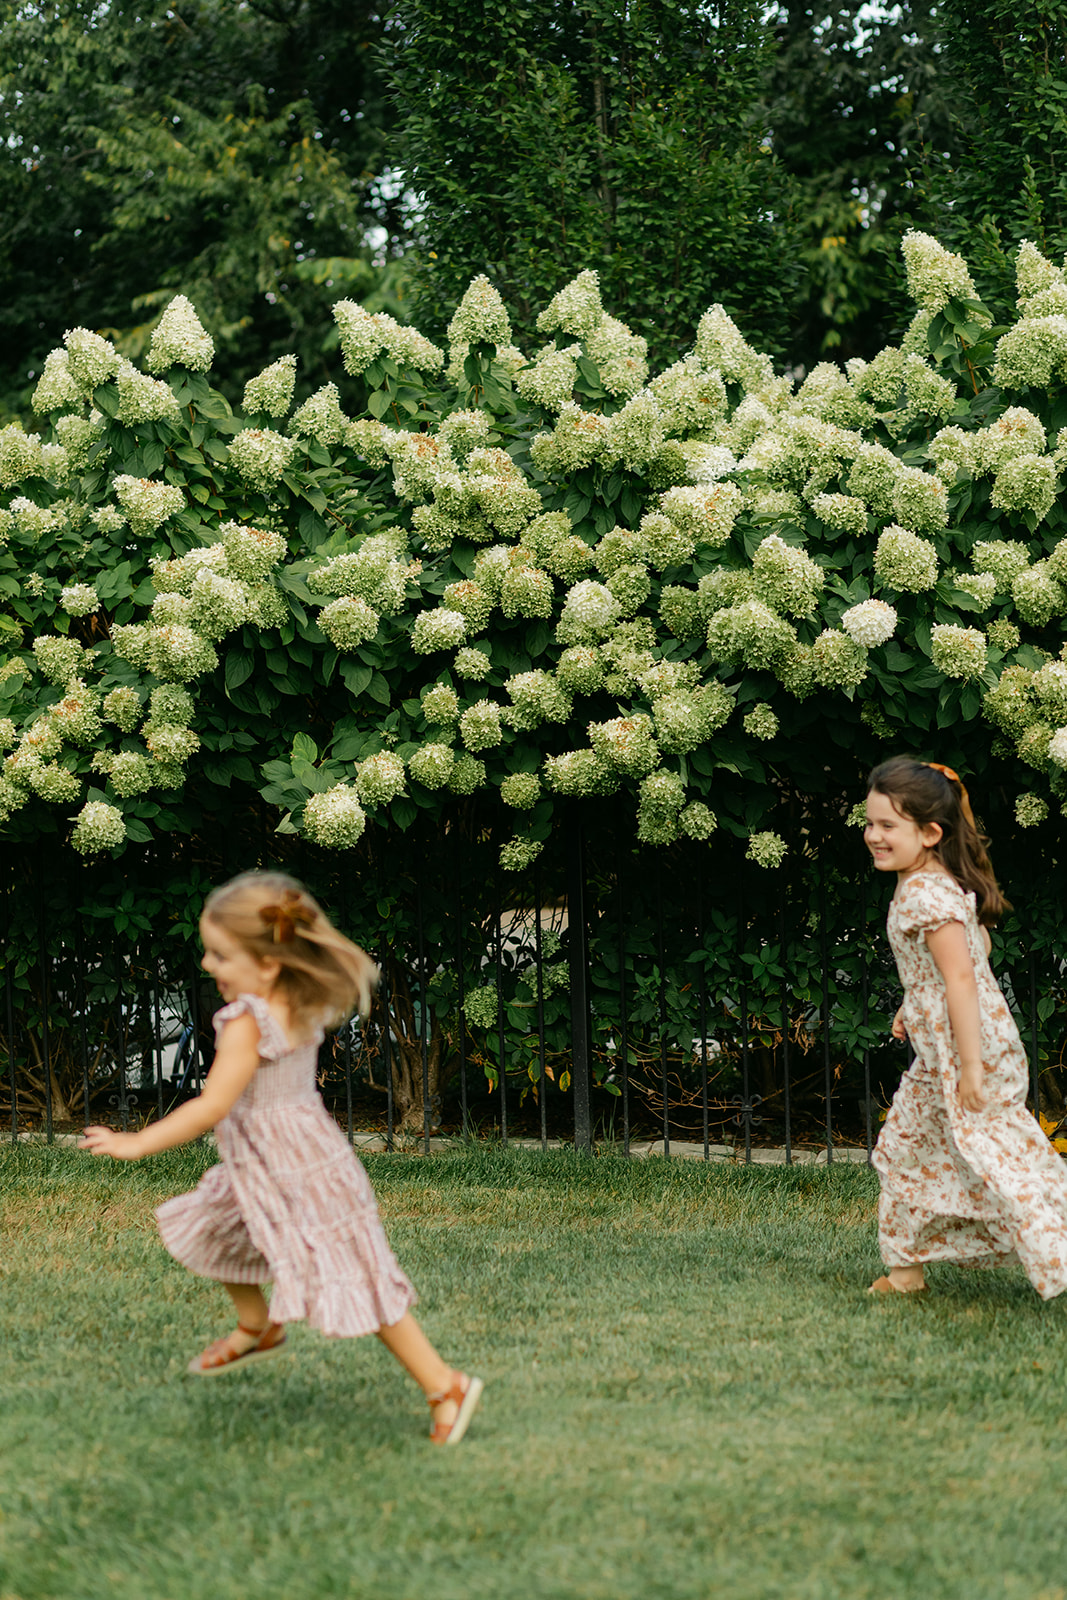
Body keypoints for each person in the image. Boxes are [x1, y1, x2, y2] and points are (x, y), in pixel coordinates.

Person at [81, 869, 483, 1445]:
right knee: (214, 1226)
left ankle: (446, 1385)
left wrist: (135, 1142)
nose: (207, 966)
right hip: (276, 1160)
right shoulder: (300, 997)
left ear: (266, 964)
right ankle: (258, 1326)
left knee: (352, 1273)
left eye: (220, 955)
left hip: (298, 1172)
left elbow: (213, 1104)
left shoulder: (245, 1022)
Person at [863, 755, 1067, 1300]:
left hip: (965, 1054)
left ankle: (1056, 1243)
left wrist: (971, 1068)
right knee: (908, 1149)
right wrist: (914, 1003)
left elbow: (960, 979)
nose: (873, 836)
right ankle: (905, 1273)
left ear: (930, 832)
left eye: (887, 826)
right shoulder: (935, 882)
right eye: (870, 823)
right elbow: (975, 953)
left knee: (1002, 1159)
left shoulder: (927, 894)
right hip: (953, 1050)